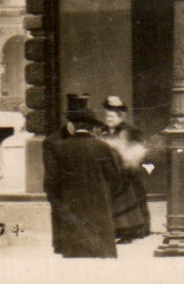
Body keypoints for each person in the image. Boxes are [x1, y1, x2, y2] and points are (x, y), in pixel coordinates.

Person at [43, 93, 122, 258]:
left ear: (72, 125)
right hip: (100, 206)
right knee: (100, 254)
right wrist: (106, 195)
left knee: (75, 254)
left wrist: (57, 200)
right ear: (92, 127)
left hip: (70, 205)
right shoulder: (104, 147)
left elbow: (51, 180)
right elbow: (115, 177)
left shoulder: (59, 147)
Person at [96, 95, 151, 243]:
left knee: (129, 199)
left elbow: (137, 151)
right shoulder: (101, 131)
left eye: (112, 116)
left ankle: (133, 231)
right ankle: (116, 230)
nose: (108, 119)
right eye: (107, 116)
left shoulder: (130, 131)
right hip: (109, 172)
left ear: (120, 116)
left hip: (128, 172)